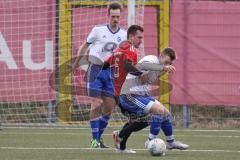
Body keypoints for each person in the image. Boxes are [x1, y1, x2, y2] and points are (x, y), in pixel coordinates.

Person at [112, 48, 189, 153]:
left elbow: (144, 79)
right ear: (161, 55)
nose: (168, 64)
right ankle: (150, 141)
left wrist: (162, 71)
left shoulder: (158, 68)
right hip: (130, 94)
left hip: (142, 95)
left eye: (169, 63)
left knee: (165, 114)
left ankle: (170, 142)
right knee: (158, 112)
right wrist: (163, 67)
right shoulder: (151, 59)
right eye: (166, 62)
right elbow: (142, 67)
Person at [72, 2, 126, 148]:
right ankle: (94, 140)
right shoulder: (97, 30)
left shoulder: (124, 34)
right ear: (108, 15)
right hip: (95, 69)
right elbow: (85, 45)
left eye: (118, 17)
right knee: (96, 103)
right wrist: (77, 62)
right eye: (113, 16)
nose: (115, 19)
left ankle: (99, 138)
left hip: (110, 73)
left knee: (109, 108)